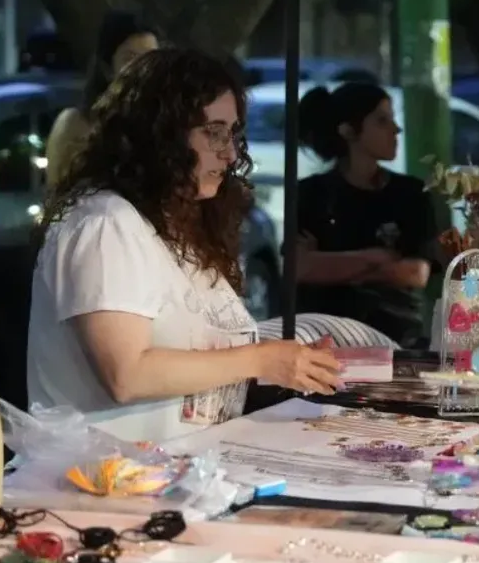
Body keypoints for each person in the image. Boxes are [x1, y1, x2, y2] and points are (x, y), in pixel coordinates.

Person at [29, 48, 340, 442]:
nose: (229, 153)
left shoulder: (179, 226)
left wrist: (291, 363)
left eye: (233, 134)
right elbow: (126, 375)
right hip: (95, 481)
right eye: (213, 132)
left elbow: (206, 362)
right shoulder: (105, 223)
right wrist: (261, 359)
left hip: (179, 476)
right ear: (161, 135)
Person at [295, 82, 439, 349]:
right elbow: (301, 268)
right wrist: (376, 257)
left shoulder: (411, 193)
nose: (396, 129)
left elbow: (415, 273)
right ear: (348, 131)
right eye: (382, 121)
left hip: (398, 339)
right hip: (324, 339)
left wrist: (332, 266)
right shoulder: (312, 194)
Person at [46, 11, 161, 191]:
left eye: (151, 58)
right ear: (107, 68)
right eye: (130, 58)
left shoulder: (167, 126)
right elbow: (59, 202)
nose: (143, 68)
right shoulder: (76, 126)